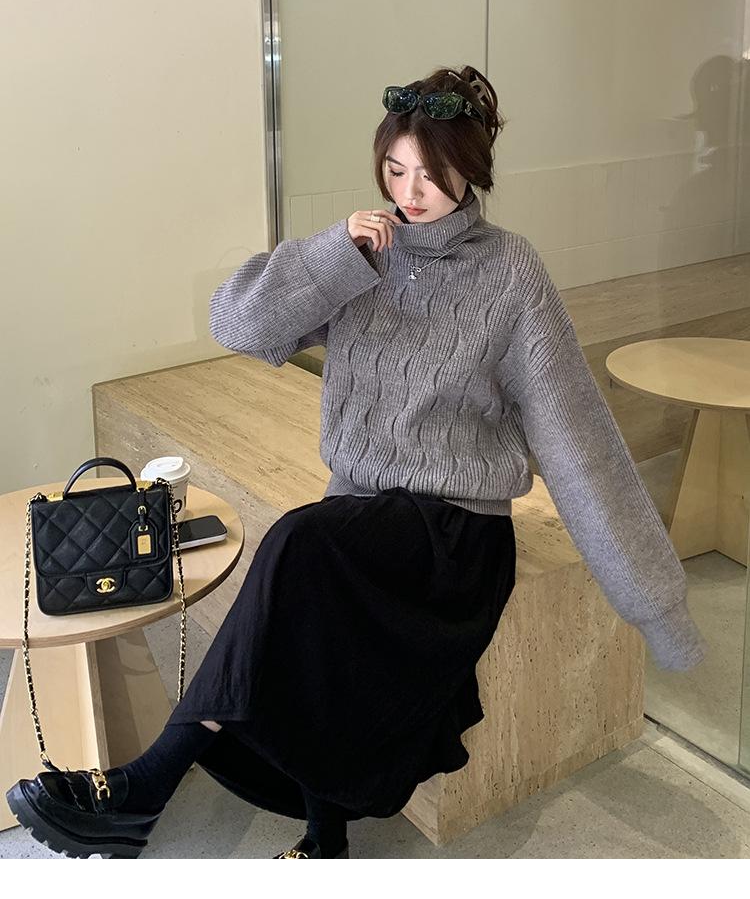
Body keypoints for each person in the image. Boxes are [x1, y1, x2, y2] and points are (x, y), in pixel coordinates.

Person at [5, 65, 707, 860]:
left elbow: (579, 440)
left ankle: (148, 784)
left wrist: (657, 607)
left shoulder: (512, 272)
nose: (411, 192)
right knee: (315, 577)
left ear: (471, 171)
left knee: (302, 544)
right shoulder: (360, 256)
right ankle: (320, 839)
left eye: (432, 174)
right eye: (395, 170)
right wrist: (331, 254)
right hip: (363, 517)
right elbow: (237, 325)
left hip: (454, 537)